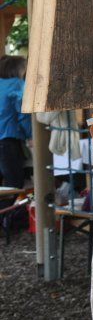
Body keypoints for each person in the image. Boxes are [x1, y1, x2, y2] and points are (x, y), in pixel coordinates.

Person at [0, 55, 30, 216]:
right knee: (13, 183)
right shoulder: (17, 85)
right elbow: (23, 114)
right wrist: (31, 135)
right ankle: (8, 219)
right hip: (8, 140)